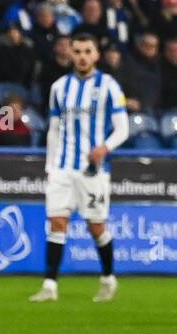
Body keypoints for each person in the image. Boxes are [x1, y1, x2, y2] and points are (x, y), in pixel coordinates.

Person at [30, 31, 128, 305]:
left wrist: (105, 148)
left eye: (88, 51)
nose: (83, 57)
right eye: (78, 51)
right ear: (70, 54)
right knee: (57, 221)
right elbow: (54, 129)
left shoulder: (109, 86)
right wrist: (50, 165)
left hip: (92, 170)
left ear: (96, 55)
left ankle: (108, 277)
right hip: (62, 167)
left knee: (96, 226)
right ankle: (50, 285)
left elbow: (123, 129)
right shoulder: (59, 87)